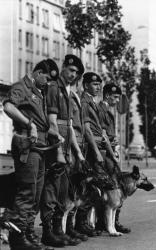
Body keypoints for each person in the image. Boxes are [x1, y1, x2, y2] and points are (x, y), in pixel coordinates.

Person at [3, 59, 59, 250]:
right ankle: (17, 237)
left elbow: (41, 120)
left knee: (36, 194)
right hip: (27, 144)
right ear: (38, 72)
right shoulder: (22, 87)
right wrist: (29, 124)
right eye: (46, 79)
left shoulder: (38, 92)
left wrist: (54, 133)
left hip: (41, 148)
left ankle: (27, 233)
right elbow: (9, 107)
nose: (47, 84)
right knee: (27, 192)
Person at [40, 54, 85, 247]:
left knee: (62, 191)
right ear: (64, 67)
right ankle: (48, 232)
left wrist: (77, 153)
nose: (73, 75)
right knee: (51, 190)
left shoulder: (66, 91)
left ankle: (59, 229)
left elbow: (69, 125)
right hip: (54, 147)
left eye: (76, 73)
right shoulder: (53, 88)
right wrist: (59, 151)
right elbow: (52, 122)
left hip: (65, 148)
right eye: (71, 70)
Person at [77, 72, 115, 235]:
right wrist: (97, 152)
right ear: (86, 85)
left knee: (94, 186)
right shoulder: (85, 102)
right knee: (91, 186)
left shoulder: (92, 102)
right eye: (94, 84)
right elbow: (87, 130)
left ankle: (85, 222)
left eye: (100, 84)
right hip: (92, 150)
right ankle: (81, 222)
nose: (98, 87)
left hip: (99, 148)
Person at [98, 83, 131, 233]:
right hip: (106, 154)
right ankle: (108, 223)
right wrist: (112, 152)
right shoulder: (102, 110)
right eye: (115, 97)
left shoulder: (108, 111)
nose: (117, 100)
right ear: (107, 96)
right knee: (113, 186)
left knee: (114, 186)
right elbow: (103, 136)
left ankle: (112, 221)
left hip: (109, 152)